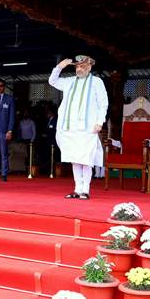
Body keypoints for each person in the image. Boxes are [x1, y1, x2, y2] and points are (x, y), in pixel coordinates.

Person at [49, 55, 108, 200]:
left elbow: (103, 103)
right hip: (70, 128)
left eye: (82, 66)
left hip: (88, 128)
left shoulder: (96, 82)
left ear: (89, 67)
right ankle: (77, 189)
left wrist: (100, 122)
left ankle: (85, 190)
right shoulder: (69, 82)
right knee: (75, 158)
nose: (79, 69)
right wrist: (59, 67)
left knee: (85, 159)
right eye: (77, 67)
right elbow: (52, 81)